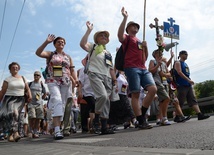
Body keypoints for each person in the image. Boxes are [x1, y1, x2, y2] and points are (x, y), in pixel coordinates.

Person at [117, 7, 157, 129]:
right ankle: (141, 120)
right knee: (135, 94)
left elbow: (145, 58)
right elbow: (119, 36)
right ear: (128, 29)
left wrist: (146, 47)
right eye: (132, 26)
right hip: (131, 68)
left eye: (136, 26)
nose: (135, 28)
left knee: (153, 89)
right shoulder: (127, 38)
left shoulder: (140, 41)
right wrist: (125, 18)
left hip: (143, 68)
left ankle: (141, 116)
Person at [36, 34, 78, 140]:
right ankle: (57, 130)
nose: (61, 43)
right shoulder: (50, 54)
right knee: (57, 100)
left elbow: (72, 69)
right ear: (54, 44)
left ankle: (59, 126)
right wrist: (46, 42)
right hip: (53, 81)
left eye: (63, 42)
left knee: (63, 105)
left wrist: (75, 80)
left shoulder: (68, 57)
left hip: (66, 82)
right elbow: (38, 53)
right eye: (59, 41)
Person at [80, 21, 117, 135]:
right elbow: (82, 44)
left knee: (106, 101)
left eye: (105, 36)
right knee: (102, 96)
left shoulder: (108, 53)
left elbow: (111, 69)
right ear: (96, 39)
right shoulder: (93, 47)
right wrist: (89, 31)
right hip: (95, 73)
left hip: (107, 77)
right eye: (101, 35)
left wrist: (114, 80)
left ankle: (104, 127)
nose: (104, 37)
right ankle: (96, 118)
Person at [0, 62, 32, 142]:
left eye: (16, 67)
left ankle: (10, 135)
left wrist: (30, 95)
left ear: (19, 68)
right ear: (10, 69)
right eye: (13, 67)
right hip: (10, 99)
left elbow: (27, 88)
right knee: (14, 113)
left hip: (20, 99)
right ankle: (16, 132)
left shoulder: (23, 78)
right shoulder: (7, 79)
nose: (15, 68)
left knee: (14, 117)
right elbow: (2, 91)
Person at [174, 50, 210, 120]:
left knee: (193, 99)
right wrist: (188, 80)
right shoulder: (178, 62)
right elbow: (179, 72)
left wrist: (189, 82)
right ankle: (177, 116)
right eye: (185, 54)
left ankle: (199, 114)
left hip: (188, 84)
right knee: (180, 100)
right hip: (181, 84)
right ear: (180, 55)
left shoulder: (185, 64)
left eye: (187, 54)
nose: (186, 55)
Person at [28, 71, 47, 138]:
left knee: (38, 118)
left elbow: (45, 93)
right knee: (32, 117)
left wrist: (43, 97)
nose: (36, 76)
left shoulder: (41, 85)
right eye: (35, 75)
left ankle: (35, 131)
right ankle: (30, 130)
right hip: (31, 103)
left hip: (39, 103)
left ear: (40, 77)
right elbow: (26, 91)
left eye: (37, 75)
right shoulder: (30, 83)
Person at [78, 66, 96, 133]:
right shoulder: (83, 69)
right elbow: (80, 82)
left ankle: (91, 126)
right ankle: (86, 127)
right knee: (90, 107)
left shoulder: (97, 68)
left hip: (95, 93)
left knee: (88, 110)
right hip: (86, 92)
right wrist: (79, 91)